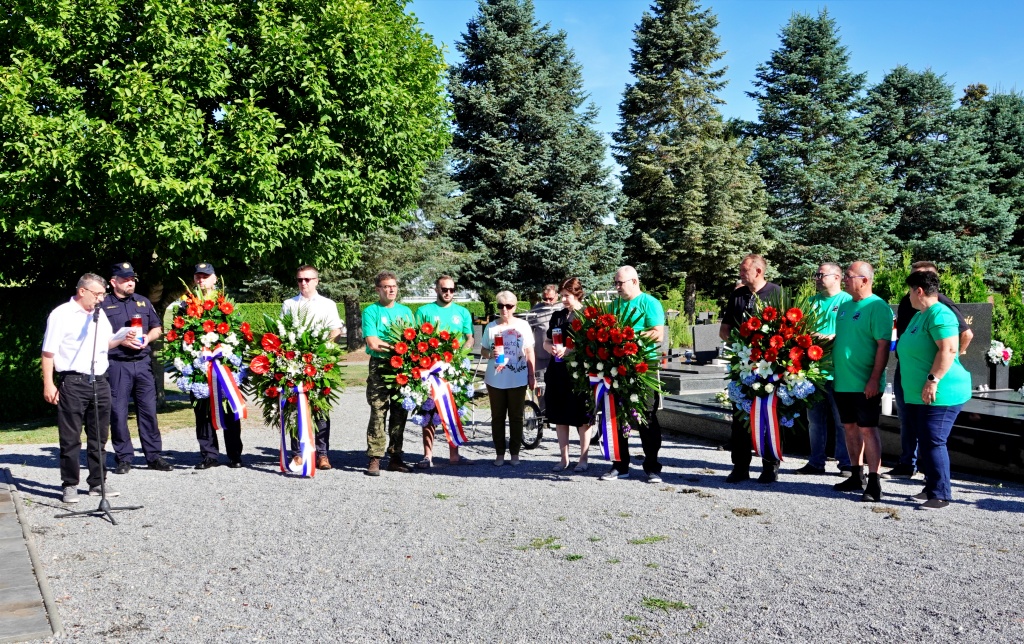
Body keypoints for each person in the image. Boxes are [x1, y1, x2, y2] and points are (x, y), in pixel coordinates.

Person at [42, 274, 130, 504]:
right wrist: (49, 384)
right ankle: (70, 484)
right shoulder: (61, 315)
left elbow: (106, 343)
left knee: (99, 436)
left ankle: (98, 482)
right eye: (97, 294)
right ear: (82, 291)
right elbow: (48, 352)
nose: (101, 299)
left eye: (103, 294)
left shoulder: (100, 315)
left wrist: (121, 338)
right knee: (70, 438)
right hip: (73, 381)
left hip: (100, 381)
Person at [885, 261, 973, 479]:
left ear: (921, 289)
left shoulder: (940, 309)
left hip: (935, 384)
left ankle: (937, 487)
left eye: (912, 287)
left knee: (933, 437)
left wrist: (940, 371)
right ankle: (916, 472)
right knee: (916, 428)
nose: (909, 292)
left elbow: (953, 344)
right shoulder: (916, 309)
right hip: (913, 378)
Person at [101, 262, 173, 474]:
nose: (130, 282)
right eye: (125, 279)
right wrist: (119, 341)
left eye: (132, 278)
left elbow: (157, 328)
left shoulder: (142, 302)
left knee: (148, 411)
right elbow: (96, 337)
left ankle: (154, 456)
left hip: (142, 363)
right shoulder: (103, 304)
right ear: (114, 282)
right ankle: (124, 457)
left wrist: (147, 339)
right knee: (118, 412)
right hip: (117, 364)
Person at [599, 266, 667, 484]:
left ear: (635, 281)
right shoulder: (614, 305)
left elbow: (657, 334)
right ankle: (620, 465)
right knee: (618, 416)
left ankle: (652, 467)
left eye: (621, 283)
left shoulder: (650, 302)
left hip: (643, 365)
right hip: (617, 365)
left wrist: (630, 337)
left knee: (646, 415)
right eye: (616, 283)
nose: (617, 287)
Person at [832, 261, 894, 502]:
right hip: (842, 381)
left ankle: (875, 480)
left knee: (868, 429)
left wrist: (874, 379)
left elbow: (883, 346)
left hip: (865, 382)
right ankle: (856, 474)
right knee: (849, 428)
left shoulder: (878, 307)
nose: (845, 279)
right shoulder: (846, 307)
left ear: (865, 280)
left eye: (848, 276)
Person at [719, 254, 783, 484]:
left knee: (767, 416)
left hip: (768, 365)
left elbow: (786, 329)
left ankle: (769, 467)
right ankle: (740, 466)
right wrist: (736, 340)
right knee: (740, 416)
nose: (740, 274)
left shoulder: (776, 293)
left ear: (758, 271)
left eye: (744, 270)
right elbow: (724, 328)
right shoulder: (738, 294)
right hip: (742, 364)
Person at [282, 265, 344, 470]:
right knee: (294, 408)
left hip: (320, 362)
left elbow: (336, 330)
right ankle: (297, 454)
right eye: (300, 280)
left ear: (317, 281)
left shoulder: (328, 304)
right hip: (296, 363)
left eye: (308, 279)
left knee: (320, 409)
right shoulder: (289, 304)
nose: (304, 283)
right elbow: (283, 333)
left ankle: (322, 454)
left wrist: (320, 349)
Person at [793, 262, 853, 477]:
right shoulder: (810, 302)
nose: (817, 278)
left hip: (839, 370)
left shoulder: (847, 301)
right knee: (815, 421)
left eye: (821, 274)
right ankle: (815, 462)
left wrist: (828, 338)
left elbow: (851, 333)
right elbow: (799, 330)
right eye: (816, 275)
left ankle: (846, 463)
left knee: (841, 422)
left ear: (837, 277)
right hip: (813, 372)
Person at [414, 275, 475, 468]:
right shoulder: (424, 311)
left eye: (451, 290)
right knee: (429, 409)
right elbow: (417, 338)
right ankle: (427, 456)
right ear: (436, 290)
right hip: (431, 367)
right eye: (444, 289)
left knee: (453, 408)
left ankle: (454, 455)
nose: (448, 293)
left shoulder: (462, 312)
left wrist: (460, 354)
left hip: (454, 367)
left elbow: (470, 338)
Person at [189, 262, 245, 470]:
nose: (202, 280)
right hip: (199, 364)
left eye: (206, 276)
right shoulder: (187, 304)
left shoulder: (225, 303)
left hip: (223, 367)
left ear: (215, 278)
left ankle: (235, 454)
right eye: (198, 276)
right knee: (202, 412)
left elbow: (238, 334)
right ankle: (209, 455)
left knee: (230, 410)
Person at [362, 271, 415, 476]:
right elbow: (373, 342)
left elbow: (412, 340)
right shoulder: (371, 311)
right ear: (378, 289)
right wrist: (398, 347)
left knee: (400, 410)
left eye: (393, 286)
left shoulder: (406, 311)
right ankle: (374, 457)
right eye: (386, 286)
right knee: (378, 409)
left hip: (402, 365)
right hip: (380, 365)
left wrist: (402, 351)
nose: (391, 289)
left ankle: (395, 456)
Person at [480, 291, 536, 467]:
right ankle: (499, 453)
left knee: (516, 417)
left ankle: (515, 453)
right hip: (495, 378)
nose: (504, 309)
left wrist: (531, 375)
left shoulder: (523, 325)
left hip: (517, 377)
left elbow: (529, 352)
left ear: (515, 306)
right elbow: (483, 350)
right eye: (500, 306)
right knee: (497, 416)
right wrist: (490, 353)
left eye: (509, 306)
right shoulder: (491, 327)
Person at [543, 277, 592, 472]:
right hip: (557, 370)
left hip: (579, 372)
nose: (563, 299)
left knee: (581, 416)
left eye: (566, 296)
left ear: (577, 294)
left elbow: (589, 345)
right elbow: (547, 341)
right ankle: (564, 459)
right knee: (560, 414)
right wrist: (551, 349)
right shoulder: (557, 316)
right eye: (561, 296)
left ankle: (583, 459)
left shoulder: (586, 315)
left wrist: (568, 350)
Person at [527, 284, 562, 374]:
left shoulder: (563, 308)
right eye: (545, 299)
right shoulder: (536, 310)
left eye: (550, 298)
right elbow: (528, 331)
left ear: (557, 295)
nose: (547, 301)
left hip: (560, 354)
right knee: (541, 384)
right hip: (541, 356)